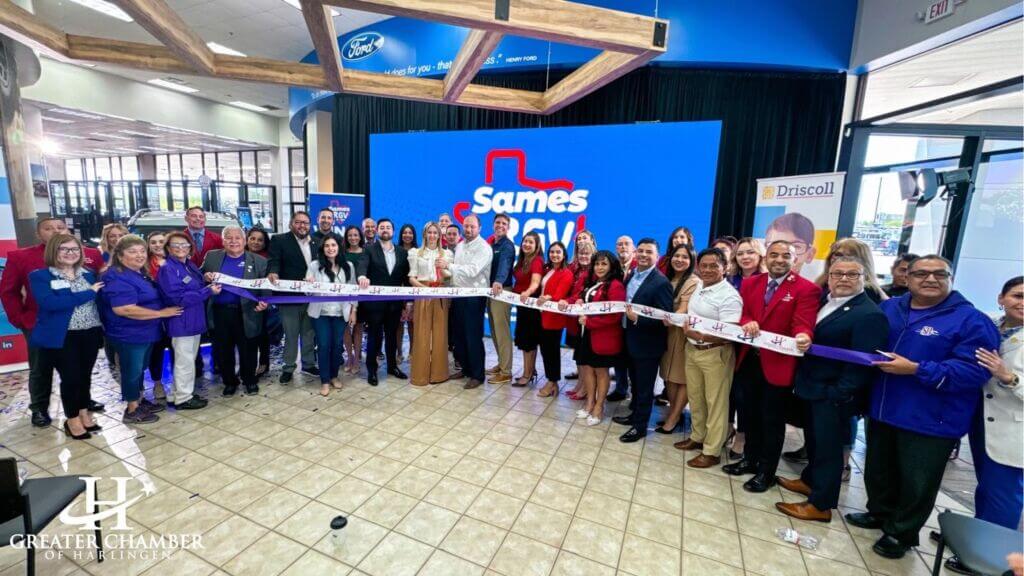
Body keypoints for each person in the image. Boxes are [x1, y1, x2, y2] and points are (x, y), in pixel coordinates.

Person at [845, 255, 999, 559]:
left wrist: (916, 369)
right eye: (921, 274)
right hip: (884, 408)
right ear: (907, 277)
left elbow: (975, 371)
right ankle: (879, 512)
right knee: (879, 468)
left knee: (918, 480)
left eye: (939, 274)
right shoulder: (891, 307)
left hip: (932, 417)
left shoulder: (971, 320)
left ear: (951, 278)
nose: (930, 279)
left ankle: (901, 532)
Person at [774, 256, 888, 522]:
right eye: (837, 274)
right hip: (814, 386)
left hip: (834, 394)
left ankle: (821, 504)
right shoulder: (828, 302)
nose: (844, 279)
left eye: (852, 274)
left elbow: (863, 362)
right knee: (815, 441)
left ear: (864, 278)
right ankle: (811, 480)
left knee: (828, 448)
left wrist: (839, 393)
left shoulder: (869, 314)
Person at [722, 240, 821, 491]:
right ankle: (750, 460)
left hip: (778, 366)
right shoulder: (751, 282)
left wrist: (803, 336)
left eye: (785, 256)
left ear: (794, 258)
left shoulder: (806, 289)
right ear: (766, 258)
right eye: (774, 255)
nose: (779, 260)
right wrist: (747, 321)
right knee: (748, 415)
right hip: (748, 360)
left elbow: (803, 323)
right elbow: (741, 312)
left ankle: (766, 472)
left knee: (772, 421)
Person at [941, 276, 1024, 573]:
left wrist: (1009, 377)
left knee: (1003, 494)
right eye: (1017, 295)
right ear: (1001, 298)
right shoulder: (990, 325)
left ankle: (992, 559)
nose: (1022, 303)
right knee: (986, 487)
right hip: (982, 420)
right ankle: (974, 539)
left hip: (1013, 427)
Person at [0, 217, 103, 427]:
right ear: (39, 234)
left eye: (61, 227)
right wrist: (19, 319)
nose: (55, 231)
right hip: (41, 323)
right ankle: (39, 407)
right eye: (49, 228)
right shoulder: (22, 257)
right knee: (40, 368)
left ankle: (82, 403)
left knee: (80, 370)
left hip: (84, 327)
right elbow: (8, 292)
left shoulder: (90, 255)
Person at [100, 235, 182, 424]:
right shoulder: (116, 276)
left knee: (139, 369)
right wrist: (162, 313)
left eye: (141, 251)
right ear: (120, 255)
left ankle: (140, 400)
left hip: (145, 332)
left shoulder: (138, 273)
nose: (139, 255)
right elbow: (124, 309)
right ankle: (132, 408)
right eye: (132, 252)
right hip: (129, 333)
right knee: (131, 370)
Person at [28, 234, 104, 439]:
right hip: (63, 336)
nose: (71, 253)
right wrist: (89, 293)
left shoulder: (88, 275)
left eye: (75, 249)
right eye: (65, 249)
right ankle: (72, 420)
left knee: (84, 377)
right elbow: (50, 304)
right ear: (54, 251)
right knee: (70, 378)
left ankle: (83, 413)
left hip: (89, 332)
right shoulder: (41, 276)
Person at [674, 247, 744, 467]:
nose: (708, 270)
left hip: (715, 353)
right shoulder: (699, 286)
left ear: (725, 267)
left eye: (714, 265)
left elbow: (730, 333)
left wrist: (701, 335)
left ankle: (712, 451)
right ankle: (698, 436)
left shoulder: (730, 296)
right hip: (693, 349)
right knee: (696, 397)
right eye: (703, 265)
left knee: (716, 403)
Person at [612, 238, 674, 443]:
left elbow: (665, 318)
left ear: (657, 256)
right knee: (636, 385)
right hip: (630, 339)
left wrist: (638, 318)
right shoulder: (632, 275)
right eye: (641, 251)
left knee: (646, 388)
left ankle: (639, 427)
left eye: (649, 252)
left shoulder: (661, 282)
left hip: (648, 344)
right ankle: (634, 416)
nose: (644, 255)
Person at [202, 226, 269, 396]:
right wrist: (205, 277)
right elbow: (201, 276)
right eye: (229, 238)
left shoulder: (258, 261)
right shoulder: (212, 257)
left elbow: (265, 287)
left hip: (247, 311)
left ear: (244, 240)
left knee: (249, 349)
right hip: (220, 312)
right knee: (223, 350)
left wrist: (265, 302)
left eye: (237, 238)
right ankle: (229, 382)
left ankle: (249, 380)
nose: (233, 241)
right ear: (223, 241)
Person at [156, 231, 218, 410]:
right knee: (185, 361)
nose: (180, 248)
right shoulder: (168, 268)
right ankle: (184, 399)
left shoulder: (189, 265)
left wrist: (205, 280)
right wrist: (208, 291)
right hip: (181, 321)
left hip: (193, 320)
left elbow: (195, 286)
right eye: (175, 245)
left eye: (184, 245)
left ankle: (178, 394)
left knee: (186, 360)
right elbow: (177, 298)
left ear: (190, 247)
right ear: (168, 248)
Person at [565, 250, 625, 426]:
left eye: (604, 264)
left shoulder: (615, 285)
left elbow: (614, 316)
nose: (599, 267)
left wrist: (590, 322)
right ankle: (589, 402)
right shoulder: (594, 283)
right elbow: (582, 299)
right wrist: (577, 302)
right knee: (588, 370)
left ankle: (599, 407)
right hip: (587, 335)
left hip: (603, 337)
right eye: (597, 263)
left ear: (611, 266)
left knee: (601, 372)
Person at [437, 214, 491, 389]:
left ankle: (477, 375)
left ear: (479, 228)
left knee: (473, 336)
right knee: (459, 336)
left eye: (472, 227)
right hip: (458, 296)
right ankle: (466, 369)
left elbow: (472, 271)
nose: (468, 229)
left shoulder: (484, 248)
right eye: (466, 226)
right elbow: (454, 274)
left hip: (474, 298)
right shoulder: (460, 246)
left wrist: (448, 266)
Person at [357, 218, 411, 386]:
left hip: (395, 304)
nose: (385, 230)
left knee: (392, 337)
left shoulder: (402, 252)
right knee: (374, 337)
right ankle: (372, 370)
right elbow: (362, 266)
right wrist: (361, 276)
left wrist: (408, 302)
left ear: (393, 232)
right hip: (375, 304)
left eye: (388, 227)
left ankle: (392, 367)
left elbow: (406, 278)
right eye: (382, 228)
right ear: (378, 231)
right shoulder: (369, 250)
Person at [268, 211, 319, 383]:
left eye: (305, 222)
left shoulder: (317, 243)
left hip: (312, 297)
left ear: (310, 225)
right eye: (298, 222)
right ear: (291, 224)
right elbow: (274, 260)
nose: (302, 225)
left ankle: (309, 364)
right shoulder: (279, 240)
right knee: (290, 334)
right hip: (289, 297)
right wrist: (273, 272)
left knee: (308, 333)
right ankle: (288, 367)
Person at [656, 243, 700, 434]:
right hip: (666, 334)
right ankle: (675, 412)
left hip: (681, 335)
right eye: (676, 256)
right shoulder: (667, 278)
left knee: (681, 378)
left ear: (691, 261)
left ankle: (673, 418)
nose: (679, 260)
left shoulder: (693, 281)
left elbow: (684, 308)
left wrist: (669, 318)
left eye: (684, 257)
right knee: (668, 376)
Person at [307, 235, 357, 396]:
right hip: (320, 313)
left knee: (336, 346)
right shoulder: (314, 265)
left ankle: (334, 376)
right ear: (323, 249)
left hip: (340, 313)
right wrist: (309, 283)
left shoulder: (348, 266)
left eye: (333, 245)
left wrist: (353, 310)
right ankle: (324, 381)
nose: (330, 248)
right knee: (323, 345)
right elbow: (307, 292)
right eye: (327, 245)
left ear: (339, 247)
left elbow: (354, 289)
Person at [408, 221, 453, 386]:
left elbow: (449, 276)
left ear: (439, 235)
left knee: (441, 335)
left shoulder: (446, 254)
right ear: (425, 234)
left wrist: (444, 270)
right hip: (423, 293)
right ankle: (420, 375)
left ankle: (439, 374)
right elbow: (412, 277)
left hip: (440, 294)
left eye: (435, 233)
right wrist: (425, 290)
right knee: (421, 334)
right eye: (429, 232)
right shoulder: (415, 253)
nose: (432, 235)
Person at [535, 241, 573, 398]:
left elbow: (560, 294)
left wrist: (549, 297)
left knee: (552, 351)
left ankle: (552, 381)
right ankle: (553, 382)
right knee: (545, 350)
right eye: (552, 252)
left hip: (554, 317)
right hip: (542, 314)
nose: (555, 255)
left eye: (558, 252)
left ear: (564, 254)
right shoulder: (547, 269)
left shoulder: (567, 273)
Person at [607, 235, 638, 403]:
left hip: (635, 321)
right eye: (619, 244)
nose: (623, 247)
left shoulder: (639, 267)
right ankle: (620, 388)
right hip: (617, 321)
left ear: (633, 249)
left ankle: (636, 392)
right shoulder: (613, 268)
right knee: (619, 356)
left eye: (627, 244)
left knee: (634, 360)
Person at [487, 214, 516, 385]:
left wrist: (498, 280)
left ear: (508, 227)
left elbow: (505, 264)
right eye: (497, 222)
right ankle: (501, 363)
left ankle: (506, 371)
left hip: (501, 290)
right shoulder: (492, 244)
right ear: (493, 225)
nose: (500, 225)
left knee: (502, 332)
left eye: (504, 224)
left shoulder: (507, 246)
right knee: (494, 330)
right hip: (491, 291)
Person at [512, 231, 544, 387]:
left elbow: (535, 282)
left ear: (537, 246)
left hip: (530, 307)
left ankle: (527, 374)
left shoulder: (537, 261)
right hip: (521, 307)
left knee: (529, 342)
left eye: (531, 242)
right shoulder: (522, 260)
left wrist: (527, 292)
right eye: (525, 241)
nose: (527, 244)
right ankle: (530, 370)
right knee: (524, 342)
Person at [565, 239, 596, 398]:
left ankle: (585, 388)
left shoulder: (593, 273)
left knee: (584, 357)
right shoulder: (573, 269)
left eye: (587, 253)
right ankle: (580, 384)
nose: (584, 256)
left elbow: (580, 296)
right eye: (581, 253)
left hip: (585, 320)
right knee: (578, 354)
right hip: (572, 319)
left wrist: (567, 302)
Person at [814, 238, 888, 303]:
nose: (842, 260)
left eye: (850, 257)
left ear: (863, 262)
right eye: (838, 254)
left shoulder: (866, 290)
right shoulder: (824, 282)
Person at [145, 231, 171, 398]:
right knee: (157, 349)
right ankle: (157, 383)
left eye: (161, 241)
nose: (157, 245)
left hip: (174, 311)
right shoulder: (144, 264)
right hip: (153, 313)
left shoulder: (174, 260)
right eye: (153, 242)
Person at [246, 227, 272, 377]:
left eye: (260, 240)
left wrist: (265, 301)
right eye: (252, 238)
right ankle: (247, 364)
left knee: (262, 334)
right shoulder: (239, 255)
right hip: (241, 303)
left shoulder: (267, 259)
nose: (256, 242)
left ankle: (263, 363)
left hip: (261, 303)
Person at [342, 225, 366, 374]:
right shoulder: (342, 254)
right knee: (345, 328)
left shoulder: (366, 253)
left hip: (362, 296)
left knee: (358, 328)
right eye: (350, 235)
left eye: (356, 235)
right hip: (344, 296)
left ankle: (357, 358)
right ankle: (349, 357)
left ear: (360, 237)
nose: (353, 238)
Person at [397, 223, 418, 362]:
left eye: (410, 233)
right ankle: (399, 353)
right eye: (405, 232)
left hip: (413, 292)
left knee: (412, 324)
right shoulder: (395, 250)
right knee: (398, 324)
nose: (407, 235)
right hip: (397, 292)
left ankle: (412, 351)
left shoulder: (418, 251)